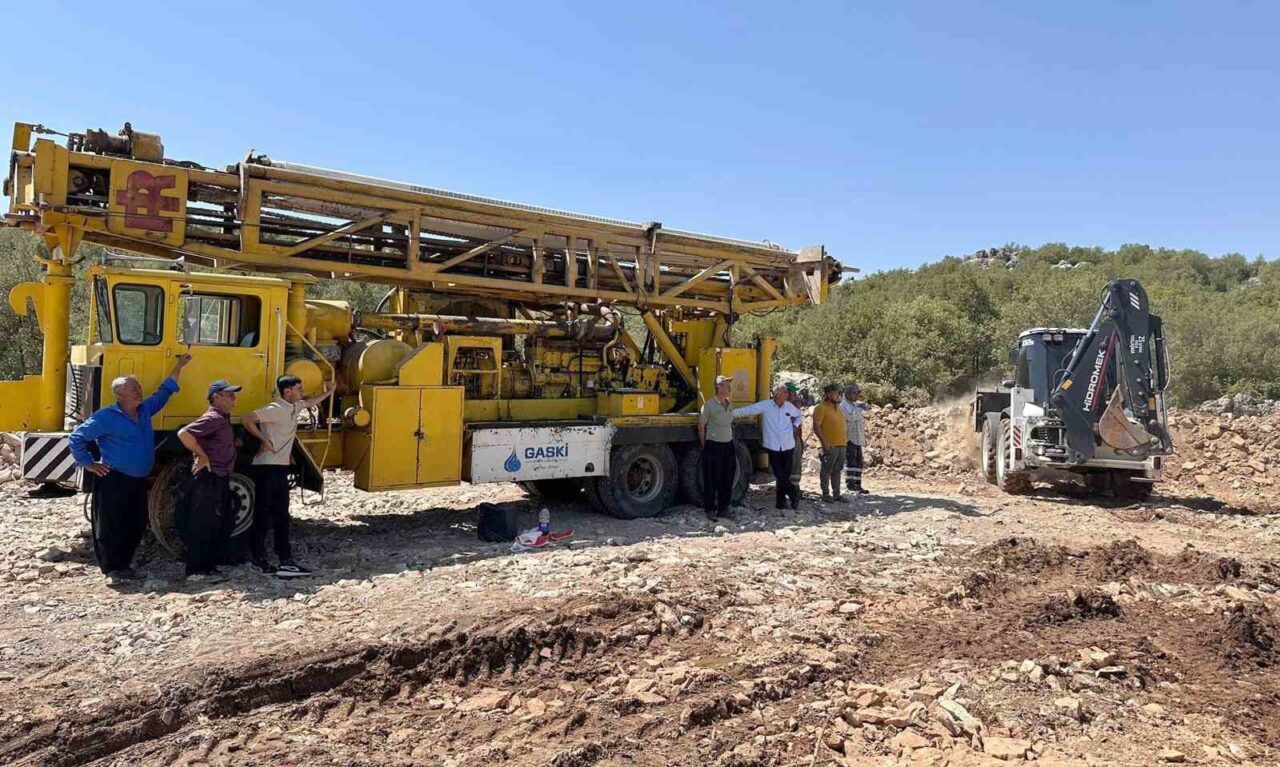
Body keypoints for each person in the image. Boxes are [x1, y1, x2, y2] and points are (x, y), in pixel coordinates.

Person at [68, 354, 192, 584]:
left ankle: (124, 566)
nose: (138, 391)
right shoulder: (106, 416)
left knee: (135, 523)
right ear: (119, 394)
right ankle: (111, 570)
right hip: (114, 478)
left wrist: (179, 365)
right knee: (110, 525)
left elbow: (165, 392)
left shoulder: (145, 411)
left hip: (138, 480)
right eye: (133, 388)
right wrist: (88, 463)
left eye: (138, 387)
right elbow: (76, 438)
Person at [241, 374, 336, 577]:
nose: (301, 392)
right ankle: (258, 558)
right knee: (262, 515)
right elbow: (247, 419)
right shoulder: (275, 410)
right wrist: (263, 440)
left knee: (282, 515)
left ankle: (285, 557)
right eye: (298, 389)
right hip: (267, 467)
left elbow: (310, 402)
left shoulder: (295, 407)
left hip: (280, 468)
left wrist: (329, 392)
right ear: (287, 392)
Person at [176, 379, 242, 581]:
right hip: (208, 477)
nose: (234, 398)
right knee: (202, 523)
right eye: (229, 395)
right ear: (217, 397)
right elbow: (184, 433)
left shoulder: (223, 418)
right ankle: (196, 570)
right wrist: (201, 455)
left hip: (219, 476)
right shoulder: (213, 417)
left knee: (214, 521)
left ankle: (208, 567)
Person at [734, 384, 804, 510]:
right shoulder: (766, 405)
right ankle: (794, 495)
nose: (787, 395)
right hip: (773, 446)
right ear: (777, 394)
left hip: (788, 445)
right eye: (785, 393)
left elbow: (799, 416)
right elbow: (749, 410)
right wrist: (730, 413)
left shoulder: (789, 407)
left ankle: (781, 503)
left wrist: (795, 426)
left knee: (785, 475)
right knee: (779, 474)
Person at [697, 375, 737, 519]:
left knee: (727, 478)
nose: (730, 389)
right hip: (713, 446)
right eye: (727, 386)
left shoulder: (728, 404)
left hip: (728, 445)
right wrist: (704, 445)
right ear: (719, 388)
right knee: (711, 479)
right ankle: (710, 510)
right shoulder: (709, 405)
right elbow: (701, 426)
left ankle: (723, 509)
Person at [812, 384, 849, 503]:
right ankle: (825, 494)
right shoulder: (820, 408)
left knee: (837, 470)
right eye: (836, 393)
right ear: (828, 394)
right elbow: (816, 428)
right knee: (826, 470)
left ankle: (837, 494)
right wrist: (824, 443)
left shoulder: (838, 408)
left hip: (841, 444)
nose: (838, 396)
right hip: (828, 445)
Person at [840, 383, 870, 494]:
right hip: (849, 438)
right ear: (848, 394)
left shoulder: (853, 405)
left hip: (857, 438)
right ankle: (850, 485)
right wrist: (858, 409)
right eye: (855, 393)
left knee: (858, 463)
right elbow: (850, 418)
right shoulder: (843, 405)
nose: (857, 395)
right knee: (851, 462)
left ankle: (858, 485)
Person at [786, 382, 806, 494]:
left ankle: (794, 488)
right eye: (793, 392)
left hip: (795, 438)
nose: (795, 395)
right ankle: (791, 489)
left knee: (795, 464)